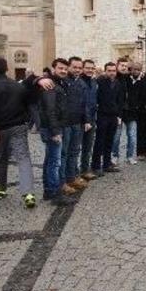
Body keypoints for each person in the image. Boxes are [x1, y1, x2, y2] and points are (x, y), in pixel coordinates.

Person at [0, 57, 38, 208]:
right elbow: (29, 103)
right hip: (18, 126)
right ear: (7, 69)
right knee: (23, 158)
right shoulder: (17, 85)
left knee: (0, 159)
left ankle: (2, 189)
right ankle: (28, 193)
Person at [39, 58, 76, 205]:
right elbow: (50, 109)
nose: (63, 71)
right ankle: (55, 194)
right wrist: (55, 131)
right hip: (52, 128)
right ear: (53, 68)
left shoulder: (60, 83)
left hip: (56, 126)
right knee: (54, 162)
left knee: (50, 160)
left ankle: (49, 191)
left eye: (65, 69)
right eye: (60, 68)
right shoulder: (50, 84)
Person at [62, 57, 89, 192]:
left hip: (77, 123)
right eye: (75, 67)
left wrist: (86, 120)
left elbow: (84, 105)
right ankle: (63, 182)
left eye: (79, 67)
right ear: (69, 67)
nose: (77, 70)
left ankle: (72, 177)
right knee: (64, 153)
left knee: (74, 152)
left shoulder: (82, 83)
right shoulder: (62, 81)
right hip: (65, 124)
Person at [93, 62, 122, 175]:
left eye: (113, 71)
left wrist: (119, 115)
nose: (111, 73)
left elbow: (120, 100)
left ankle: (106, 164)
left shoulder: (118, 83)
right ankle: (96, 166)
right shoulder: (99, 81)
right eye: (109, 71)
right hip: (102, 115)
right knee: (99, 141)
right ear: (105, 71)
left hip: (113, 116)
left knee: (110, 141)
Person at [80, 59, 98, 179]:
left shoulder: (93, 82)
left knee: (87, 146)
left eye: (92, 68)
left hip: (91, 118)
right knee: (74, 149)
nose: (90, 70)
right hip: (80, 119)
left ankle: (84, 170)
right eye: (87, 68)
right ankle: (70, 175)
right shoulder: (79, 81)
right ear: (83, 68)